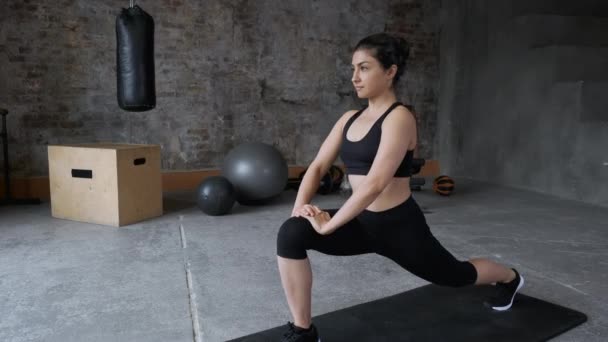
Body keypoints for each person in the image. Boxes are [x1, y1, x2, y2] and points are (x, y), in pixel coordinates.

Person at [276, 33, 524, 342]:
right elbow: (316, 167)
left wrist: (329, 226)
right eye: (353, 68)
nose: (354, 77)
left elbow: (376, 184)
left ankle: (509, 277)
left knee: (456, 275)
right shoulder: (349, 119)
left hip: (399, 226)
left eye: (364, 68)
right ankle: (303, 331)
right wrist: (300, 209)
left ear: (390, 71)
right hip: (360, 221)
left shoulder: (400, 118)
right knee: (291, 232)